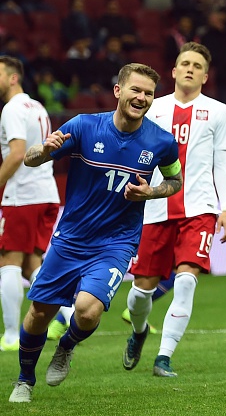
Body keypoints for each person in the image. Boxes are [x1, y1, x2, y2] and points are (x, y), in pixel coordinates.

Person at [8, 63, 183, 404]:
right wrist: (44, 151)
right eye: (136, 90)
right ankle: (25, 379)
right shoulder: (85, 127)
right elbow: (30, 160)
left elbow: (175, 181)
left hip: (116, 243)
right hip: (71, 239)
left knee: (88, 311)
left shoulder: (162, 142)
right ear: (118, 91)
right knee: (39, 313)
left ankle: (66, 346)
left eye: (148, 93)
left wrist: (151, 192)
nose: (142, 97)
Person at [122, 42, 226, 378]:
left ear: (205, 75)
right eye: (184, 63)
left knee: (186, 281)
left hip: (200, 209)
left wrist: (225, 208)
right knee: (141, 292)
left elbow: (221, 163)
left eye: (196, 65)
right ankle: (139, 331)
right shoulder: (152, 107)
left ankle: (164, 357)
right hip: (154, 209)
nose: (189, 69)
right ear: (173, 71)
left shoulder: (218, 111)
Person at [0, 56, 60, 352]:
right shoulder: (36, 106)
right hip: (46, 192)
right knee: (32, 264)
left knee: (8, 261)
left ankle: (11, 336)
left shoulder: (11, 109)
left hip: (21, 195)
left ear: (13, 78)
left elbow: (16, 154)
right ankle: (69, 313)